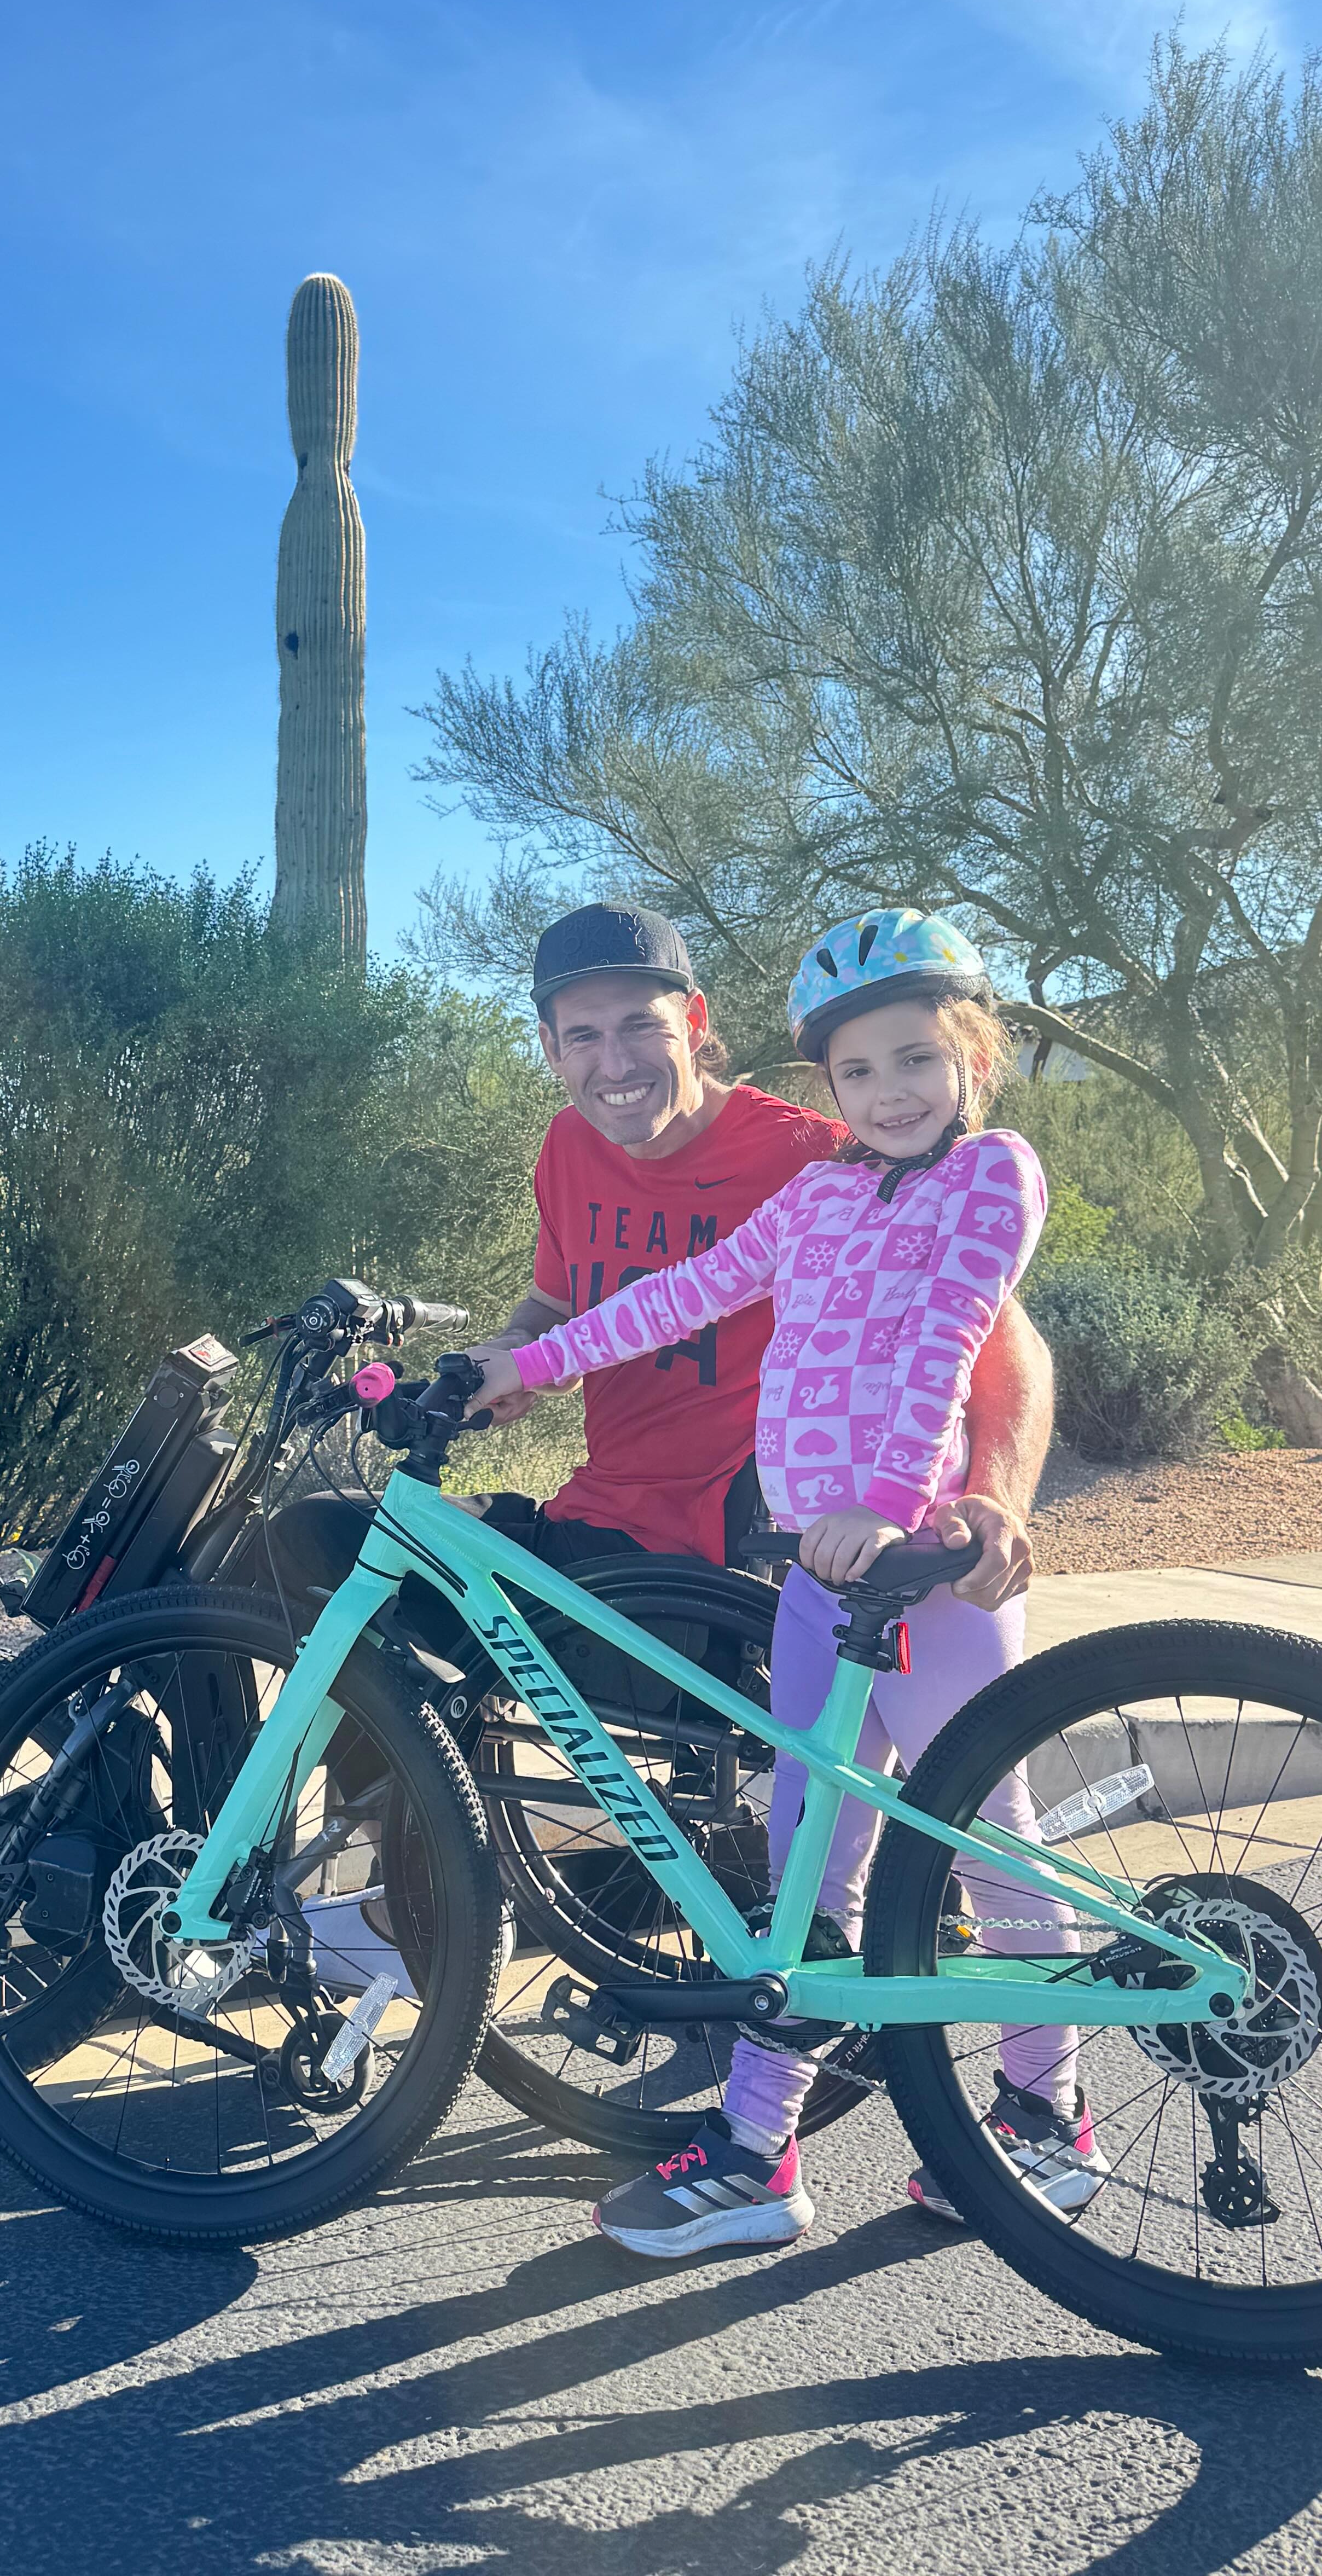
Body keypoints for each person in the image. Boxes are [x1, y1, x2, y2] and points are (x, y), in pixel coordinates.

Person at [467, 907, 1099, 2259]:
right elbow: (676, 1299)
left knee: (985, 1838)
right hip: (816, 1575)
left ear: (973, 1055)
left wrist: (913, 1505)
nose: (888, 1094)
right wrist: (514, 1368)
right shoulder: (817, 1194)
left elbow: (950, 1341)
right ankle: (758, 2155)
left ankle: (1048, 2117)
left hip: (919, 1569)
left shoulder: (991, 1174)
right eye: (859, 1074)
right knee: (811, 1856)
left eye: (916, 1060)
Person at [269, 901, 1052, 1624]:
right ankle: (408, 1781)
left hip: (733, 1561)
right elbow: (556, 1307)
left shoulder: (825, 1162)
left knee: (383, 1605)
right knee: (314, 1548)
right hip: (596, 1524)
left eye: (641, 1027)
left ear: (695, 1020)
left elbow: (990, 1332)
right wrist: (510, 1364)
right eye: (582, 1036)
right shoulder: (568, 1148)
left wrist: (994, 1499)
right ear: (550, 1048)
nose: (615, 1065)